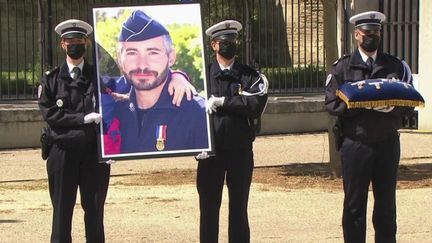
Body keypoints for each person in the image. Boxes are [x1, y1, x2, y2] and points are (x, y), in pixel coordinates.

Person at [325, 11, 414, 243]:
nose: (372, 36)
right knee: (354, 207)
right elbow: (332, 103)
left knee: (386, 206)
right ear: (357, 35)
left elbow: (409, 101)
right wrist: (364, 105)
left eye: (376, 32)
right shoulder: (342, 68)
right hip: (356, 144)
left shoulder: (396, 66)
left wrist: (390, 109)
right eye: (367, 33)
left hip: (387, 143)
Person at [195, 20, 268, 243]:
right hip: (211, 153)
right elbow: (188, 111)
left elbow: (255, 106)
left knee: (239, 208)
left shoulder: (250, 76)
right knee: (208, 209)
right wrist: (196, 145)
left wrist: (224, 102)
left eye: (233, 41)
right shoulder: (202, 75)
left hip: (240, 151)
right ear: (214, 45)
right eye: (225, 42)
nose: (230, 45)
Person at [38, 19, 110, 242]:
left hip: (93, 153)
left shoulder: (100, 78)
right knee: (61, 212)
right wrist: (82, 118)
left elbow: (118, 107)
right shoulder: (51, 79)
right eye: (70, 41)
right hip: (62, 151)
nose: (74, 45)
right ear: (63, 44)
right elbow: (51, 114)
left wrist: (115, 145)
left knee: (95, 212)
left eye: (79, 41)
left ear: (86, 43)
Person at [111, 10, 208, 153]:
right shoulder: (111, 108)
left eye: (153, 53)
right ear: (119, 59)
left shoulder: (198, 113)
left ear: (171, 57)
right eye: (132, 53)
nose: (142, 65)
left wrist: (178, 75)